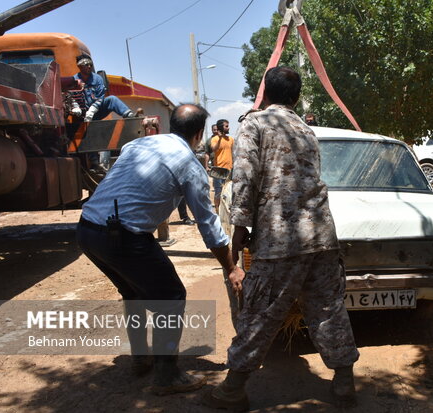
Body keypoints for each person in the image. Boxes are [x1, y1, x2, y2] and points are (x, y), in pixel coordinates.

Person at [201, 67, 360, 410]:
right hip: (321, 234)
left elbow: (244, 177)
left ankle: (232, 390)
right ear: (297, 98)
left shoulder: (255, 123)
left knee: (259, 313)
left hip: (280, 238)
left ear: (266, 93)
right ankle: (345, 382)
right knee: (328, 310)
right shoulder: (306, 129)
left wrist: (240, 229)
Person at [76, 103, 245, 396]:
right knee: (172, 296)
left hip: (88, 229)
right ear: (199, 133)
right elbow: (208, 225)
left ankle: (141, 358)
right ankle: (166, 375)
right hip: (124, 236)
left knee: (133, 292)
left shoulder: (137, 144)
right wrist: (231, 268)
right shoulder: (190, 164)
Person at [74, 54, 137, 122]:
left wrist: (91, 111)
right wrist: (75, 107)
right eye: (86, 64)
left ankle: (130, 116)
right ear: (79, 66)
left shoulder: (97, 79)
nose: (89, 67)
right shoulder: (74, 80)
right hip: (80, 115)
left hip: (96, 111)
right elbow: (71, 97)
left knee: (112, 99)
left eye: (91, 64)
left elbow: (100, 98)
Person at [208, 119, 234, 212]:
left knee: (229, 192)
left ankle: (226, 212)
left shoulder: (231, 139)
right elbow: (214, 149)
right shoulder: (214, 139)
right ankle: (218, 211)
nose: (228, 127)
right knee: (218, 193)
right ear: (221, 127)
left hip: (229, 169)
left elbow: (233, 152)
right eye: (226, 126)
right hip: (219, 170)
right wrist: (219, 138)